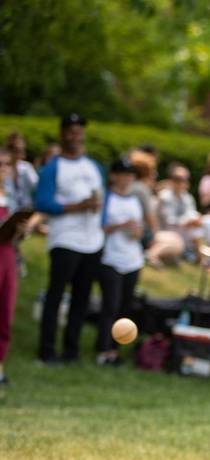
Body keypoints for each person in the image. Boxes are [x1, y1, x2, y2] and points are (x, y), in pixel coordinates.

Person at [35, 113, 105, 364]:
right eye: (71, 131)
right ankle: (46, 350)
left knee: (82, 298)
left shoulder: (94, 167)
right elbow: (42, 202)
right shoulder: (53, 167)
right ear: (63, 134)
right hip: (65, 239)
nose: (76, 136)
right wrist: (77, 207)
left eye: (79, 132)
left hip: (92, 240)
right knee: (56, 296)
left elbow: (102, 200)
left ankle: (71, 351)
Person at [95, 159, 144, 366]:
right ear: (114, 176)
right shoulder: (106, 198)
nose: (127, 179)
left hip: (132, 259)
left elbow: (141, 230)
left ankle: (116, 350)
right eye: (123, 174)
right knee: (110, 306)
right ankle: (103, 349)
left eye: (130, 175)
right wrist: (121, 225)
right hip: (110, 258)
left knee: (125, 307)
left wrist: (136, 231)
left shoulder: (134, 200)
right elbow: (98, 227)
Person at [156, 162, 210, 262]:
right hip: (170, 232)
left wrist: (195, 220)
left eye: (184, 179)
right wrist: (187, 222)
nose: (182, 182)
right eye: (178, 179)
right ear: (171, 180)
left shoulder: (187, 197)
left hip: (186, 231)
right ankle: (201, 257)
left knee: (209, 220)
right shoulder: (165, 196)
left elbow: (191, 216)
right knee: (193, 222)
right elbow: (168, 221)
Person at [0, 147, 27, 393]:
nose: (3, 169)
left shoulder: (11, 196)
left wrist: (20, 230)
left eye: (6, 164)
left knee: (5, 313)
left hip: (8, 254)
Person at [5, 132, 38, 210]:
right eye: (18, 150)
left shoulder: (26, 167)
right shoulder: (3, 168)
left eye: (23, 150)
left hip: (26, 209)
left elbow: (36, 186)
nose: (23, 155)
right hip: (8, 211)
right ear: (9, 150)